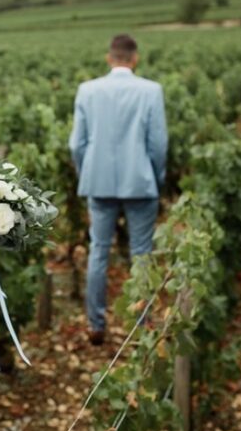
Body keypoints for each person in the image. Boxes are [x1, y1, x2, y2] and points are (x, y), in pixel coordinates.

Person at [68, 33, 167, 346]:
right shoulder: (151, 91)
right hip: (140, 181)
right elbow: (158, 144)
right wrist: (155, 176)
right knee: (142, 253)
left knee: (98, 251)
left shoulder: (87, 90)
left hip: (98, 181)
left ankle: (96, 324)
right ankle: (142, 323)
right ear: (135, 58)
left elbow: (76, 144)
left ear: (109, 58)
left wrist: (87, 173)